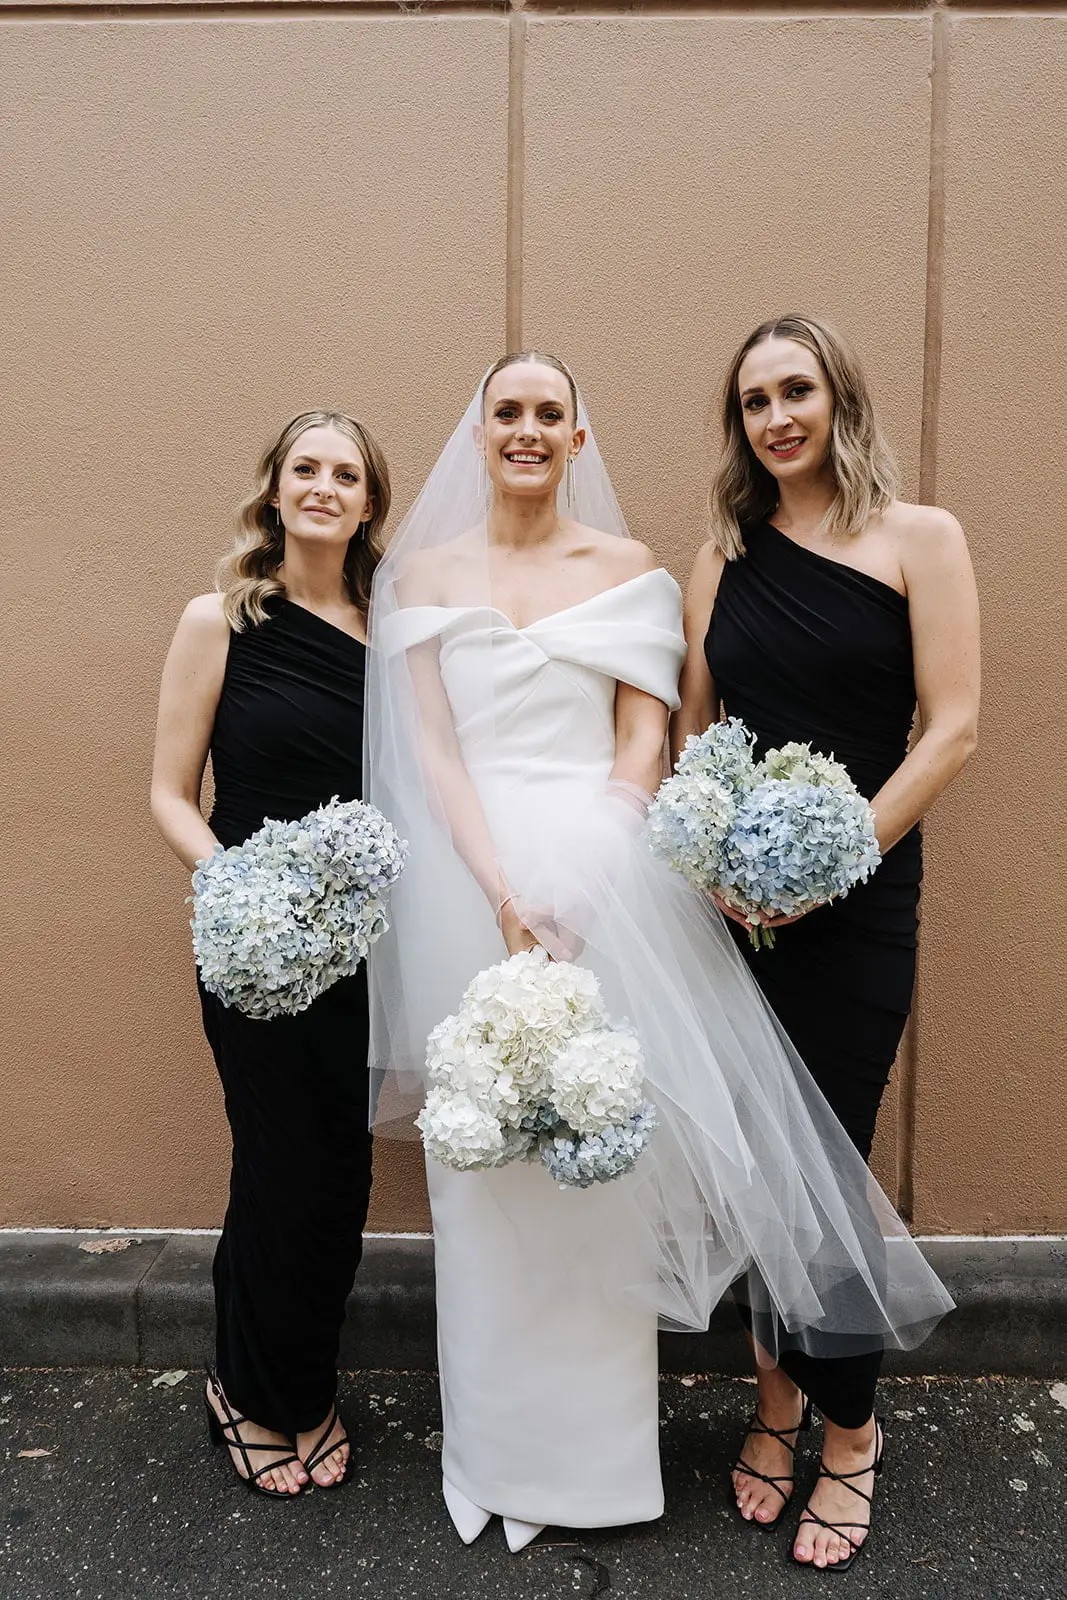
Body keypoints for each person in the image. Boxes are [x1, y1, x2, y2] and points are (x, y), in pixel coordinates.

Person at [365, 353, 954, 1554]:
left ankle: (625, 1456)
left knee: (611, 1165)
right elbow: (432, 757)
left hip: (608, 887)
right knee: (482, 1174)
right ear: (475, 433)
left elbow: (654, 737)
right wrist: (496, 892)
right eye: (504, 412)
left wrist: (575, 890)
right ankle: (499, 1447)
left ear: (580, 436)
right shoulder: (419, 577)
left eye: (547, 412)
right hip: (470, 893)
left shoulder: (636, 572)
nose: (525, 430)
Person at [674, 313, 980, 1568]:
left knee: (827, 1159)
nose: (775, 415)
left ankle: (847, 1439)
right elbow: (697, 729)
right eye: (753, 400)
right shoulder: (721, 552)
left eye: (794, 389)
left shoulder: (921, 538)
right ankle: (773, 1403)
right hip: (737, 913)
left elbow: (952, 726)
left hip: (855, 901)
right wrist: (718, 872)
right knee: (756, 1163)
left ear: (836, 397)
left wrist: (830, 862)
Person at [151, 410, 390, 1496]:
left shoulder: (393, 628)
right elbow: (168, 792)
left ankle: (307, 1384)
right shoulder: (220, 620)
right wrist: (236, 885)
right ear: (275, 487)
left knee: (339, 1170)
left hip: (356, 944)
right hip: (251, 945)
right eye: (307, 468)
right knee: (277, 1164)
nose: (325, 487)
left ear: (370, 502)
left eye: (346, 473)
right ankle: (248, 1391)